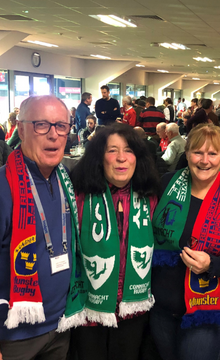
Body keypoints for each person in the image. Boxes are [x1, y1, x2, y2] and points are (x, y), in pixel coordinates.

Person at [0, 95, 78, 360]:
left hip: (61, 325)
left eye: (61, 126)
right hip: (12, 336)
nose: (53, 135)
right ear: (20, 129)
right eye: (42, 125)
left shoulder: (65, 180)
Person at [151, 123, 220, 360]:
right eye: (197, 152)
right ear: (187, 153)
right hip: (161, 303)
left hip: (208, 307)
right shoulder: (166, 184)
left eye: (212, 153)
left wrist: (214, 265)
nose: (204, 160)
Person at [68, 123, 160, 360]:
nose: (121, 158)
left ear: (137, 158)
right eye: (112, 150)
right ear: (99, 158)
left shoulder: (152, 198)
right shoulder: (77, 197)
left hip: (133, 307)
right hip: (88, 308)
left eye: (128, 150)